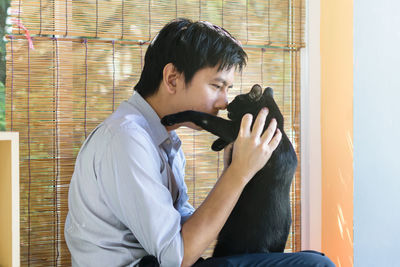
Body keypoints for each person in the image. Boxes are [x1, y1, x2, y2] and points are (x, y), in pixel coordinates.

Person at [65, 18, 335, 267]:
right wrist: (239, 173)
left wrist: (241, 173)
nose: (224, 101)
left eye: (228, 89)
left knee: (312, 258)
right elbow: (177, 256)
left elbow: (186, 229)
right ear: (173, 78)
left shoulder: (162, 139)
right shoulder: (126, 139)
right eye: (217, 86)